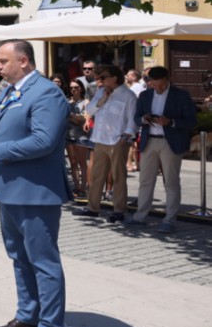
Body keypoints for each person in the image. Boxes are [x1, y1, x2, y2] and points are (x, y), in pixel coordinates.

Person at [0, 40, 69, 327]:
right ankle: (28, 315)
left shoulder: (46, 92)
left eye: (3, 61)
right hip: (9, 189)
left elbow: (44, 140)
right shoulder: (8, 91)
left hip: (35, 191)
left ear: (24, 61)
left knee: (43, 261)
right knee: (19, 257)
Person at [127, 66, 197, 233]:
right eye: (154, 85)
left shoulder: (181, 95)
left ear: (169, 79)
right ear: (149, 82)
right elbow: (136, 118)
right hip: (149, 141)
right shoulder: (145, 95)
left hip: (170, 142)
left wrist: (170, 122)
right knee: (145, 181)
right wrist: (144, 119)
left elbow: (191, 121)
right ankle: (140, 217)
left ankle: (169, 220)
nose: (158, 88)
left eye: (162, 85)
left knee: (171, 182)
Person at [74, 64, 136, 222]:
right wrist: (103, 99)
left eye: (102, 77)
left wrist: (125, 138)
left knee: (118, 176)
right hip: (101, 139)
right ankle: (93, 208)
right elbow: (90, 110)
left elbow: (133, 120)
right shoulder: (101, 92)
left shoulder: (128, 96)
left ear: (114, 78)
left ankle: (119, 210)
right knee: (96, 175)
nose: (99, 80)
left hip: (117, 140)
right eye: (98, 78)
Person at [65, 79, 90, 198]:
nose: (73, 90)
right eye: (71, 88)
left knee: (82, 162)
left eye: (76, 87)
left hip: (81, 134)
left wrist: (71, 116)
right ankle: (76, 186)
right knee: (73, 162)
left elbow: (84, 119)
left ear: (81, 88)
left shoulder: (86, 102)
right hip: (69, 134)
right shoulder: (67, 102)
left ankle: (83, 187)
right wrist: (75, 118)